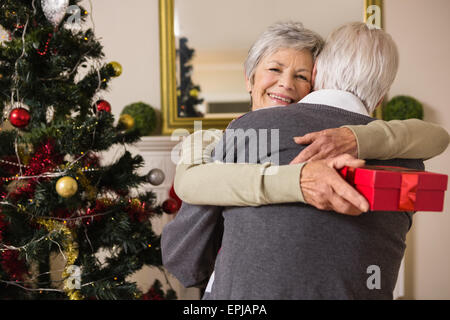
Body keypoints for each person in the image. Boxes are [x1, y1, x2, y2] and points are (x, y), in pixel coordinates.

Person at [162, 22, 449, 299]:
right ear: (249, 78)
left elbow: (185, 261)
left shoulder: (245, 135)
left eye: (300, 76)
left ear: (316, 77)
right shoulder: (409, 157)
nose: (286, 84)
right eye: (274, 69)